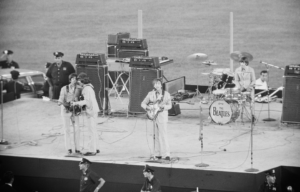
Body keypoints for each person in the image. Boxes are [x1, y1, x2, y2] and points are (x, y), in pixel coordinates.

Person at [141, 78, 172, 161]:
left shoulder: (166, 94)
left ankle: (167, 154)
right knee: (155, 136)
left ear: (161, 85)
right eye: (155, 84)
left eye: (158, 83)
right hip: (153, 117)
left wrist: (164, 107)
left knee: (163, 135)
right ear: (154, 85)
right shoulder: (150, 94)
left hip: (162, 116)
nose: (157, 85)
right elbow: (143, 103)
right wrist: (148, 108)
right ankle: (157, 153)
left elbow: (170, 106)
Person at [72, 72, 100, 156]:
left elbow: (87, 102)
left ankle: (92, 150)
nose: (78, 82)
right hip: (94, 110)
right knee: (94, 130)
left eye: (79, 80)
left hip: (91, 112)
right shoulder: (89, 87)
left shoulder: (86, 89)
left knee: (91, 131)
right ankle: (96, 148)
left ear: (82, 80)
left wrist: (76, 103)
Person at [58, 73, 82, 155]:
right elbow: (61, 98)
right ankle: (69, 148)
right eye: (73, 78)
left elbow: (81, 98)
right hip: (66, 110)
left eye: (76, 78)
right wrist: (60, 102)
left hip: (75, 111)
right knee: (67, 129)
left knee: (77, 129)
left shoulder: (79, 88)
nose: (74, 80)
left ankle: (78, 148)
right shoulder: (64, 88)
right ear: (70, 79)